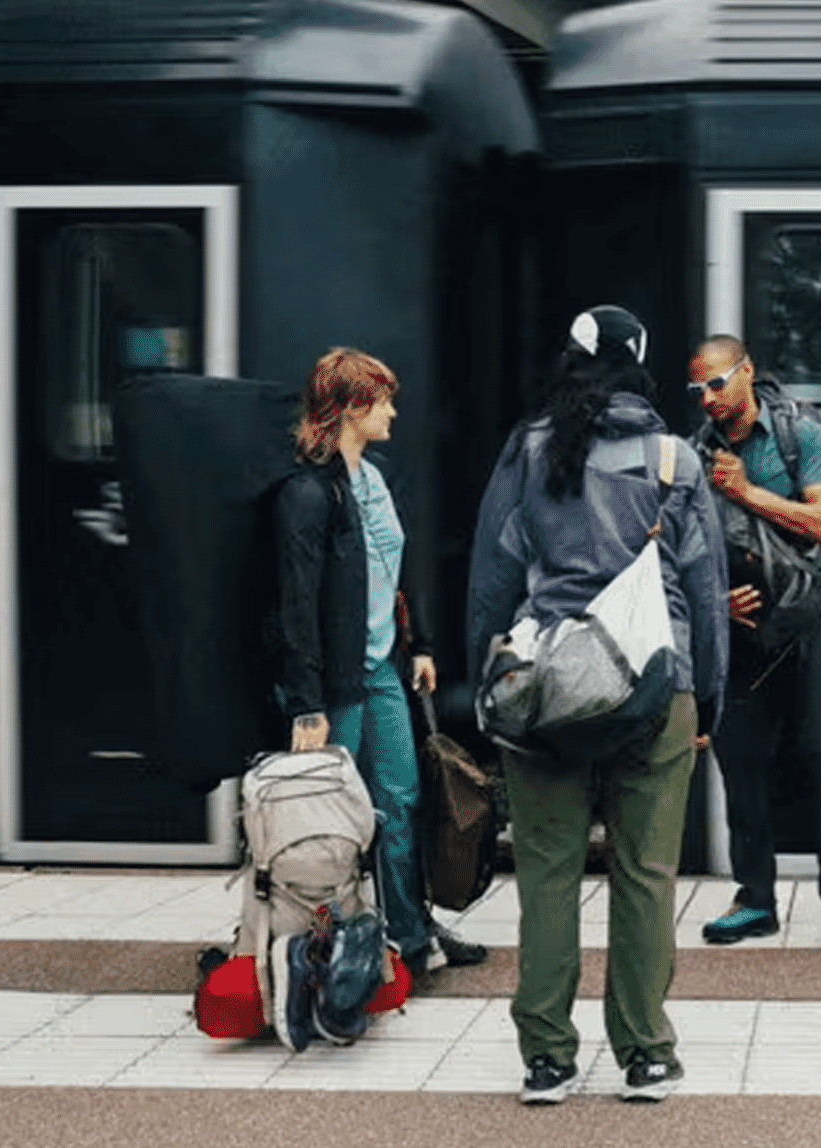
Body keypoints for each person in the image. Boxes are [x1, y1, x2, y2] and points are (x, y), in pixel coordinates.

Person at [466, 305, 728, 1105]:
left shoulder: (527, 450)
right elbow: (707, 593)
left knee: (546, 875)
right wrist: (706, 697)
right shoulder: (675, 460)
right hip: (658, 683)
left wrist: (490, 678)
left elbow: (492, 578)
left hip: (548, 689)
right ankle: (645, 1053)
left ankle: (546, 1057)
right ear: (642, 367)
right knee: (646, 875)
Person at [272, 347, 488, 974]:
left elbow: (396, 565)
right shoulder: (307, 492)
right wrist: (307, 702)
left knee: (403, 800)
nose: (394, 411)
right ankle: (335, 947)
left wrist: (417, 642)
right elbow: (298, 604)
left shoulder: (374, 476)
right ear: (354, 407)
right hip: (337, 682)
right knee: (336, 816)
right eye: (384, 400)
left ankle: (412, 936)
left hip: (382, 668)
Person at [688, 335, 821, 957]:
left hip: (806, 623)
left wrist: (748, 493)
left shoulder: (800, 435)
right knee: (741, 766)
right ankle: (755, 900)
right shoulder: (693, 454)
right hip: (739, 632)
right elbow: (681, 550)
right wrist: (713, 604)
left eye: (718, 384)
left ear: (745, 374)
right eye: (698, 390)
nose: (709, 399)